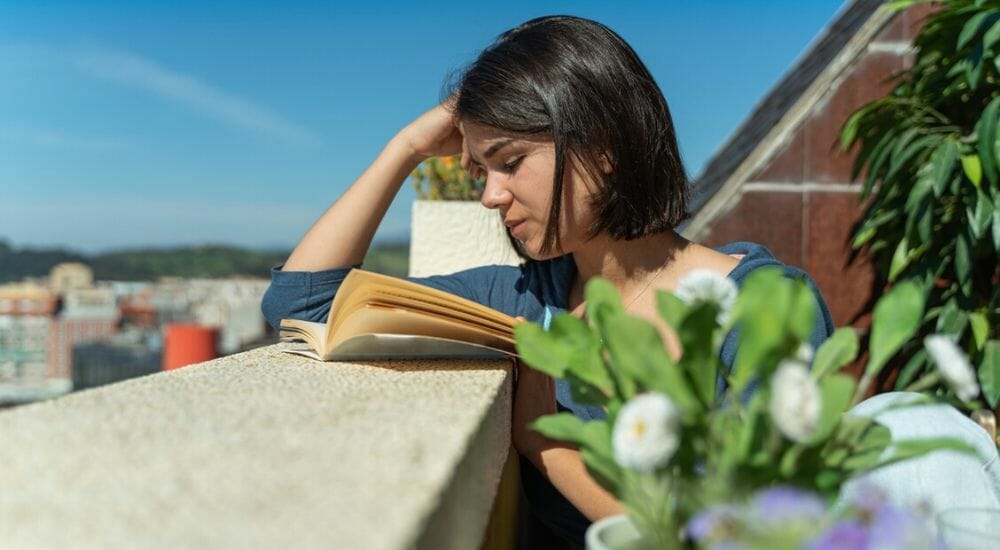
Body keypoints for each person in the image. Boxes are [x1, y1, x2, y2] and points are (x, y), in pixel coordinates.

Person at [261, 15, 833, 546]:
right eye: (481, 170)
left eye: (509, 161)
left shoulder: (763, 307)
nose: (490, 195)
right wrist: (405, 148)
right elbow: (303, 302)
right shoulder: (526, 298)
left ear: (604, 147)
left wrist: (547, 445)